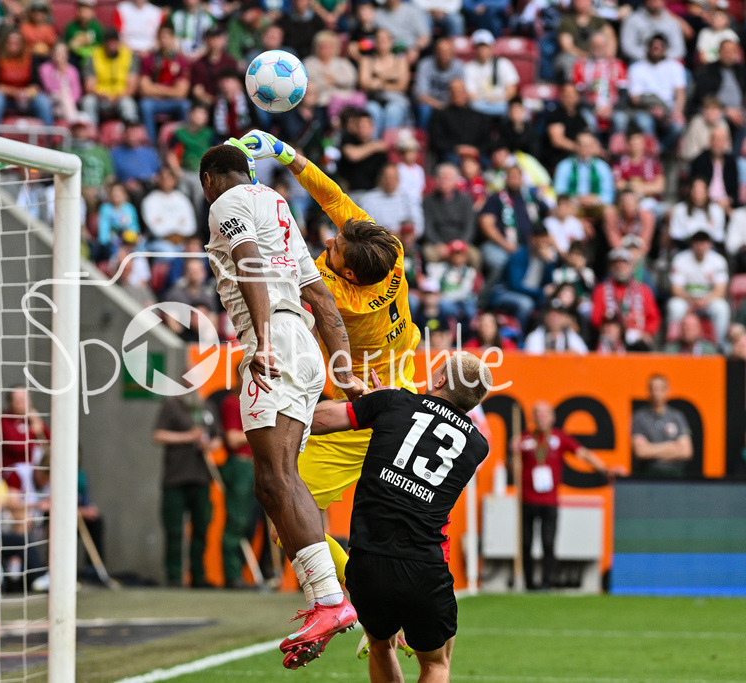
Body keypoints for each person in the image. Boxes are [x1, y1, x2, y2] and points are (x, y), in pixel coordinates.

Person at [198, 143, 367, 668]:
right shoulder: (276, 204)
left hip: (275, 342)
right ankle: (328, 598)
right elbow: (321, 298)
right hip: (307, 347)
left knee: (274, 478)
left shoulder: (224, 204)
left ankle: (329, 600)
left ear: (210, 179)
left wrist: (264, 340)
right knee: (278, 478)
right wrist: (341, 370)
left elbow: (248, 264)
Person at [309, 353, 493, 683]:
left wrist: (373, 403)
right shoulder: (478, 445)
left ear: (439, 381)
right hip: (424, 565)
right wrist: (389, 402)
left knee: (380, 646)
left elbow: (321, 421)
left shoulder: (393, 402)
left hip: (367, 560)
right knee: (436, 664)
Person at [513, 401, 620, 590]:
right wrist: (512, 451)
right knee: (526, 543)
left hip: (550, 501)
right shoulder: (524, 439)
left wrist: (604, 469)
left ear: (552, 418)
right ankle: (529, 583)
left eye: (545, 414)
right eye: (537, 413)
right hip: (527, 499)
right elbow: (514, 467)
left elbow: (582, 453)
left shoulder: (559, 438)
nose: (541, 417)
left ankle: (547, 582)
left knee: (548, 543)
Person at [153, 392, 219, 588]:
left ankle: (198, 576)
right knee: (174, 529)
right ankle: (174, 576)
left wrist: (209, 444)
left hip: (201, 477)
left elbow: (218, 438)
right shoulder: (172, 406)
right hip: (175, 477)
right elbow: (158, 435)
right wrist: (189, 436)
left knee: (201, 528)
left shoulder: (207, 408)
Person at [480, 164, 549, 284]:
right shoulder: (496, 198)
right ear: (506, 178)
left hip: (529, 248)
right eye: (511, 176)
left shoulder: (531, 198)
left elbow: (550, 215)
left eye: (517, 176)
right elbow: (486, 223)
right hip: (500, 246)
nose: (514, 179)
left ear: (522, 179)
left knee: (548, 260)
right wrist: (505, 244)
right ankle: (488, 296)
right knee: (502, 262)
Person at [219, 378, 256, 589]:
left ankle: (237, 573)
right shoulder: (233, 402)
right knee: (236, 521)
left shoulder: (253, 402)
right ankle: (231, 575)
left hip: (254, 465)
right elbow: (232, 439)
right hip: (240, 466)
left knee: (248, 523)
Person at [622, 34, 687, 150]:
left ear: (665, 49)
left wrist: (678, 112)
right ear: (647, 48)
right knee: (644, 121)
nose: (656, 50)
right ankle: (650, 151)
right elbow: (635, 98)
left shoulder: (675, 66)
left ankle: (658, 150)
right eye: (653, 47)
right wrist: (652, 108)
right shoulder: (636, 68)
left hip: (669, 109)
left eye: (659, 47)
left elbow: (680, 93)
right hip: (644, 109)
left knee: (678, 126)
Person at [0, 29, 54, 126]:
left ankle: (48, 137)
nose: (13, 46)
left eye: (16, 43)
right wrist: (14, 92)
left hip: (25, 98)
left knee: (43, 101)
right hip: (0, 97)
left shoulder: (30, 58)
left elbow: (37, 84)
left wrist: (27, 92)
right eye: (10, 43)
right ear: (4, 43)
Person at [590, 248, 661, 351]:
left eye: (624, 264)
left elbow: (654, 318)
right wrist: (610, 328)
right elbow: (596, 319)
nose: (620, 267)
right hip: (611, 338)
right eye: (616, 264)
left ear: (631, 267)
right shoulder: (601, 290)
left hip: (637, 338)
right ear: (611, 267)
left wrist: (647, 333)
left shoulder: (643, 290)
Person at [668, 230, 731, 343]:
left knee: (721, 308)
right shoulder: (680, 259)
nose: (700, 247)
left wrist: (705, 300)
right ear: (692, 244)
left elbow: (720, 290)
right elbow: (676, 289)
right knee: (675, 307)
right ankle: (673, 344)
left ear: (709, 244)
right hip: (687, 299)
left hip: (709, 299)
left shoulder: (718, 261)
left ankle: (720, 345)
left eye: (703, 243)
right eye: (697, 243)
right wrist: (692, 300)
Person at [138, 25, 192, 144]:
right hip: (154, 102)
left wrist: (156, 88)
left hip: (173, 101)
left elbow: (181, 92)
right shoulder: (149, 60)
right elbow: (144, 89)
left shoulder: (181, 61)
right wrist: (171, 90)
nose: (164, 41)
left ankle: (182, 143)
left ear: (173, 39)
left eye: (167, 37)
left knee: (185, 105)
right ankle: (151, 145)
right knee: (145, 105)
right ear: (157, 39)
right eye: (161, 37)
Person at [631, 375, 693, 478]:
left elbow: (686, 451)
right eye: (653, 389)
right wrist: (671, 446)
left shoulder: (677, 417)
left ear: (667, 391)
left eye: (660, 389)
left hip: (675, 474)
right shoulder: (640, 417)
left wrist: (652, 450)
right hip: (649, 474)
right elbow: (640, 451)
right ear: (648, 391)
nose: (656, 393)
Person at [81, 28, 139, 127]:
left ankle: (131, 132)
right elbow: (89, 86)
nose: (112, 45)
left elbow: (132, 86)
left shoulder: (129, 55)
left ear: (119, 42)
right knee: (88, 101)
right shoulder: (94, 56)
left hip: (121, 96)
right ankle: (91, 133)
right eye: (109, 42)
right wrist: (101, 94)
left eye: (114, 42)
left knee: (128, 103)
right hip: (101, 96)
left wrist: (118, 96)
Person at [572, 31, 627, 134]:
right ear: (590, 46)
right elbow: (578, 93)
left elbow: (623, 93)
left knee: (621, 120)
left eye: (601, 45)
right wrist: (594, 108)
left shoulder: (618, 65)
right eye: (595, 45)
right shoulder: (581, 65)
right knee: (588, 120)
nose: (598, 48)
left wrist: (612, 108)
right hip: (589, 107)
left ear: (606, 46)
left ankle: (616, 148)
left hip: (613, 108)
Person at [359, 29, 412, 135]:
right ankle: (373, 144)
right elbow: (363, 83)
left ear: (391, 42)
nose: (381, 41)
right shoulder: (367, 60)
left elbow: (402, 86)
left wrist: (379, 83)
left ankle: (388, 145)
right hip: (374, 99)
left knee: (393, 111)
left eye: (385, 39)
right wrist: (391, 81)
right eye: (378, 39)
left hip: (396, 100)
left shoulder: (400, 60)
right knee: (372, 109)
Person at [423, 163, 477, 265]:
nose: (444, 182)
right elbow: (428, 228)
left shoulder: (465, 200)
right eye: (441, 178)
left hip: (461, 242)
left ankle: (475, 281)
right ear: (436, 180)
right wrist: (438, 244)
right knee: (429, 254)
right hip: (437, 243)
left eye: (448, 179)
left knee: (475, 256)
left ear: (455, 181)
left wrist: (459, 245)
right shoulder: (428, 200)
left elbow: (469, 227)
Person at [427, 80, 492, 165]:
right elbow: (436, 141)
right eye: (454, 92)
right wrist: (457, 148)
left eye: (460, 91)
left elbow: (487, 141)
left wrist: (475, 150)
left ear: (466, 93)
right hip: (452, 154)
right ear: (449, 94)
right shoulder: (440, 115)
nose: (457, 94)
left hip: (475, 154)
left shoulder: (479, 117)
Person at [0, 386, 49, 492]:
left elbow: (50, 443)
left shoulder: (33, 419)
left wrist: (38, 423)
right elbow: (15, 447)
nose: (22, 402)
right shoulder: (4, 418)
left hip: (37, 472)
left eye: (24, 399)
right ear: (10, 402)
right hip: (15, 471)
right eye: (18, 400)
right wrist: (32, 432)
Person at [464, 30, 520, 118]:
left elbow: (512, 89)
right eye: (479, 47)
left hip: (502, 104)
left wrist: (498, 99)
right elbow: (470, 94)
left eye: (485, 46)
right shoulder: (468, 68)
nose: (482, 50)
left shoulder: (503, 63)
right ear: (474, 48)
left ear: (491, 47)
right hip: (480, 105)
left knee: (515, 109)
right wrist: (485, 99)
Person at [413, 38, 465, 130]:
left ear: (452, 53)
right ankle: (423, 138)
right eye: (441, 51)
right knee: (424, 109)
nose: (444, 55)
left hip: (452, 104)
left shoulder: (459, 67)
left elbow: (461, 93)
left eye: (447, 52)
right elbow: (421, 95)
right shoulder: (425, 65)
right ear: (435, 52)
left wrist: (449, 105)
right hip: (430, 104)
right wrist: (440, 106)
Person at [360, 164, 419, 238]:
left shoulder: (407, 198)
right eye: (386, 178)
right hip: (379, 241)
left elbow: (419, 225)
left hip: (405, 240)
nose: (389, 181)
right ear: (381, 178)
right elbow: (365, 226)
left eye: (392, 178)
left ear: (398, 179)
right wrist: (386, 234)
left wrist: (406, 233)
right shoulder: (369, 199)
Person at [689, 126, 740, 212]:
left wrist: (728, 201)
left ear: (726, 143)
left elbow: (734, 192)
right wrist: (715, 203)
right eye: (715, 139)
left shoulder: (731, 162)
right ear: (710, 141)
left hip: (727, 205)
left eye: (721, 140)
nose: (718, 143)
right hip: (705, 206)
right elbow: (696, 189)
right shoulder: (699, 161)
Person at [619, 0, 686, 63]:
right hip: (640, 62)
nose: (655, 1)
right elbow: (627, 48)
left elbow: (679, 50)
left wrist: (661, 56)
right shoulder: (632, 20)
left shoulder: (672, 22)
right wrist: (649, 56)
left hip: (666, 62)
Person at [190, 25, 238, 108]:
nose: (215, 41)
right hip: (207, 106)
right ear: (206, 40)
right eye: (212, 38)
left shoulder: (230, 62)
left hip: (230, 103)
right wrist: (215, 102)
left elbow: (237, 87)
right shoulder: (198, 65)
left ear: (224, 40)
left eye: (218, 38)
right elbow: (197, 91)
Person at [374, 0, 431, 65]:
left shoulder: (413, 11)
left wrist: (415, 50)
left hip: (411, 50)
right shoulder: (378, 14)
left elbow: (425, 37)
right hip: (386, 54)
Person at [39, 41, 82, 124]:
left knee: (65, 97)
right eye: (57, 53)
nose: (60, 56)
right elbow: (49, 88)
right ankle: (74, 122)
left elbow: (77, 92)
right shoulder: (45, 68)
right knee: (63, 94)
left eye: (62, 53)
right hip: (51, 100)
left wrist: (69, 100)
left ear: (67, 55)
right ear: (52, 54)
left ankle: (71, 122)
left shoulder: (72, 70)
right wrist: (59, 72)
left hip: (68, 104)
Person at [524, 299, 589, 353]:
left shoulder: (571, 336)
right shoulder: (536, 336)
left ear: (564, 317)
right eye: (551, 314)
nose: (554, 318)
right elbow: (532, 358)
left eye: (558, 315)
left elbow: (584, 357)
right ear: (545, 317)